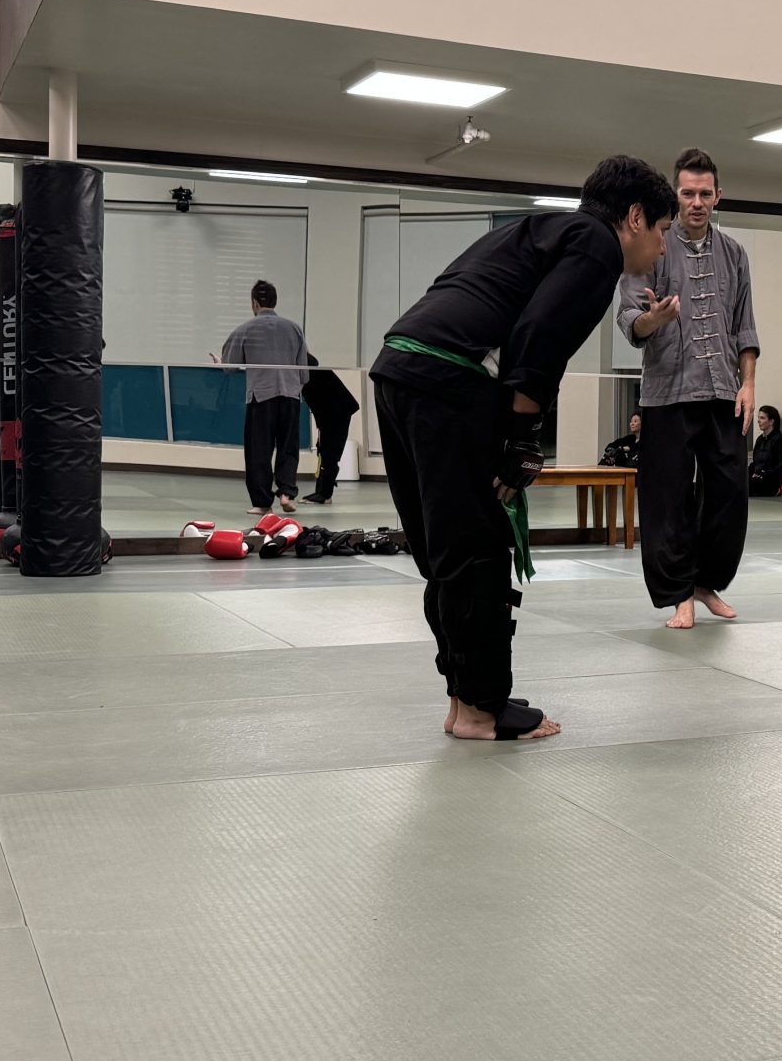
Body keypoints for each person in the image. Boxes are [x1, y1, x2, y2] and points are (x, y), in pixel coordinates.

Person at [370, 156, 675, 743]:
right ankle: (484, 710)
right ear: (634, 217)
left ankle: (465, 699)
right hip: (449, 380)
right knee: (480, 546)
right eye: (661, 229)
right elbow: (539, 342)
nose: (662, 246)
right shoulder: (596, 245)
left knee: (445, 550)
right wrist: (523, 441)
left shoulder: (538, 230)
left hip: (399, 370)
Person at [619, 147, 760, 631]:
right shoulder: (654, 246)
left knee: (729, 493)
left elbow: (745, 327)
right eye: (687, 193)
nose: (696, 202)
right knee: (667, 496)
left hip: (724, 393)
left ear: (718, 196)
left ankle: (706, 583)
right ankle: (678, 594)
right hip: (667, 394)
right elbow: (628, 317)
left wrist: (748, 385)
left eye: (704, 193)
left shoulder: (735, 254)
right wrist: (651, 319)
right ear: (676, 197)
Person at [219, 280, 307, 512]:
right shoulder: (294, 328)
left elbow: (230, 365)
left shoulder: (245, 329)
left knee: (259, 449)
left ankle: (261, 502)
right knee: (288, 446)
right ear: (275, 301)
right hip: (290, 396)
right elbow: (304, 373)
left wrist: (221, 363)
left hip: (261, 397)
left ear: (254, 303)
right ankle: (287, 493)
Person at [301, 356, 359, 506]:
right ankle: (321, 491)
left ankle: (324, 494)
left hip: (338, 411)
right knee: (324, 450)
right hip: (332, 412)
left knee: (330, 452)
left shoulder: (309, 371)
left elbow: (323, 404)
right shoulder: (309, 371)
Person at [748, 403, 782, 497]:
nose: (758, 421)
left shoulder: (780, 441)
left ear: (771, 421)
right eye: (758, 418)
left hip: (771, 482)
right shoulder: (760, 440)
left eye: (762, 418)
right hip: (757, 478)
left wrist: (764, 474)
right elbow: (755, 463)